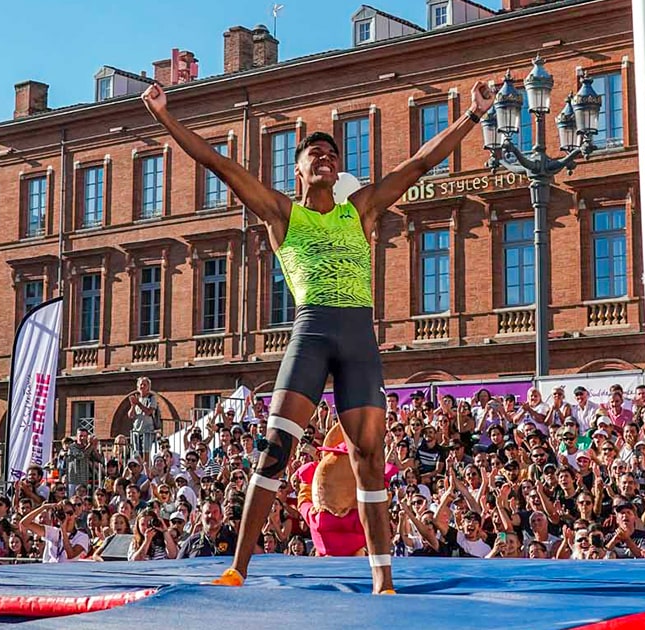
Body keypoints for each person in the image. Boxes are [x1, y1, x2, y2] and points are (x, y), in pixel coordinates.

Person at [142, 76, 492, 594]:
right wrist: (164, 117)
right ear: (299, 170)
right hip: (312, 331)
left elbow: (417, 166)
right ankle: (237, 567)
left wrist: (473, 115)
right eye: (315, 154)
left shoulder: (362, 210)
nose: (326, 157)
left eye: (332, 152)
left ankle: (382, 579)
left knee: (369, 461)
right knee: (275, 450)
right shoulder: (283, 214)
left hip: (358, 338)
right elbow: (220, 165)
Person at [19, 503, 89, 563]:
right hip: (51, 572)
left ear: (75, 515)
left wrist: (63, 530)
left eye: (70, 513)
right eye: (63, 514)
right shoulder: (53, 531)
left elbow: (70, 555)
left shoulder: (82, 536)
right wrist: (43, 507)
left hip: (68, 574)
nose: (67, 517)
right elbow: (24, 523)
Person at [128, 377, 160, 457]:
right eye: (140, 384)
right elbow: (131, 415)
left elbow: (149, 412)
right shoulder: (137, 399)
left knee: (146, 454)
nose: (142, 386)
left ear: (148, 387)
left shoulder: (151, 398)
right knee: (136, 455)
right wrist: (133, 406)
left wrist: (138, 403)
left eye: (144, 385)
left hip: (147, 431)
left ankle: (146, 469)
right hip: (136, 431)